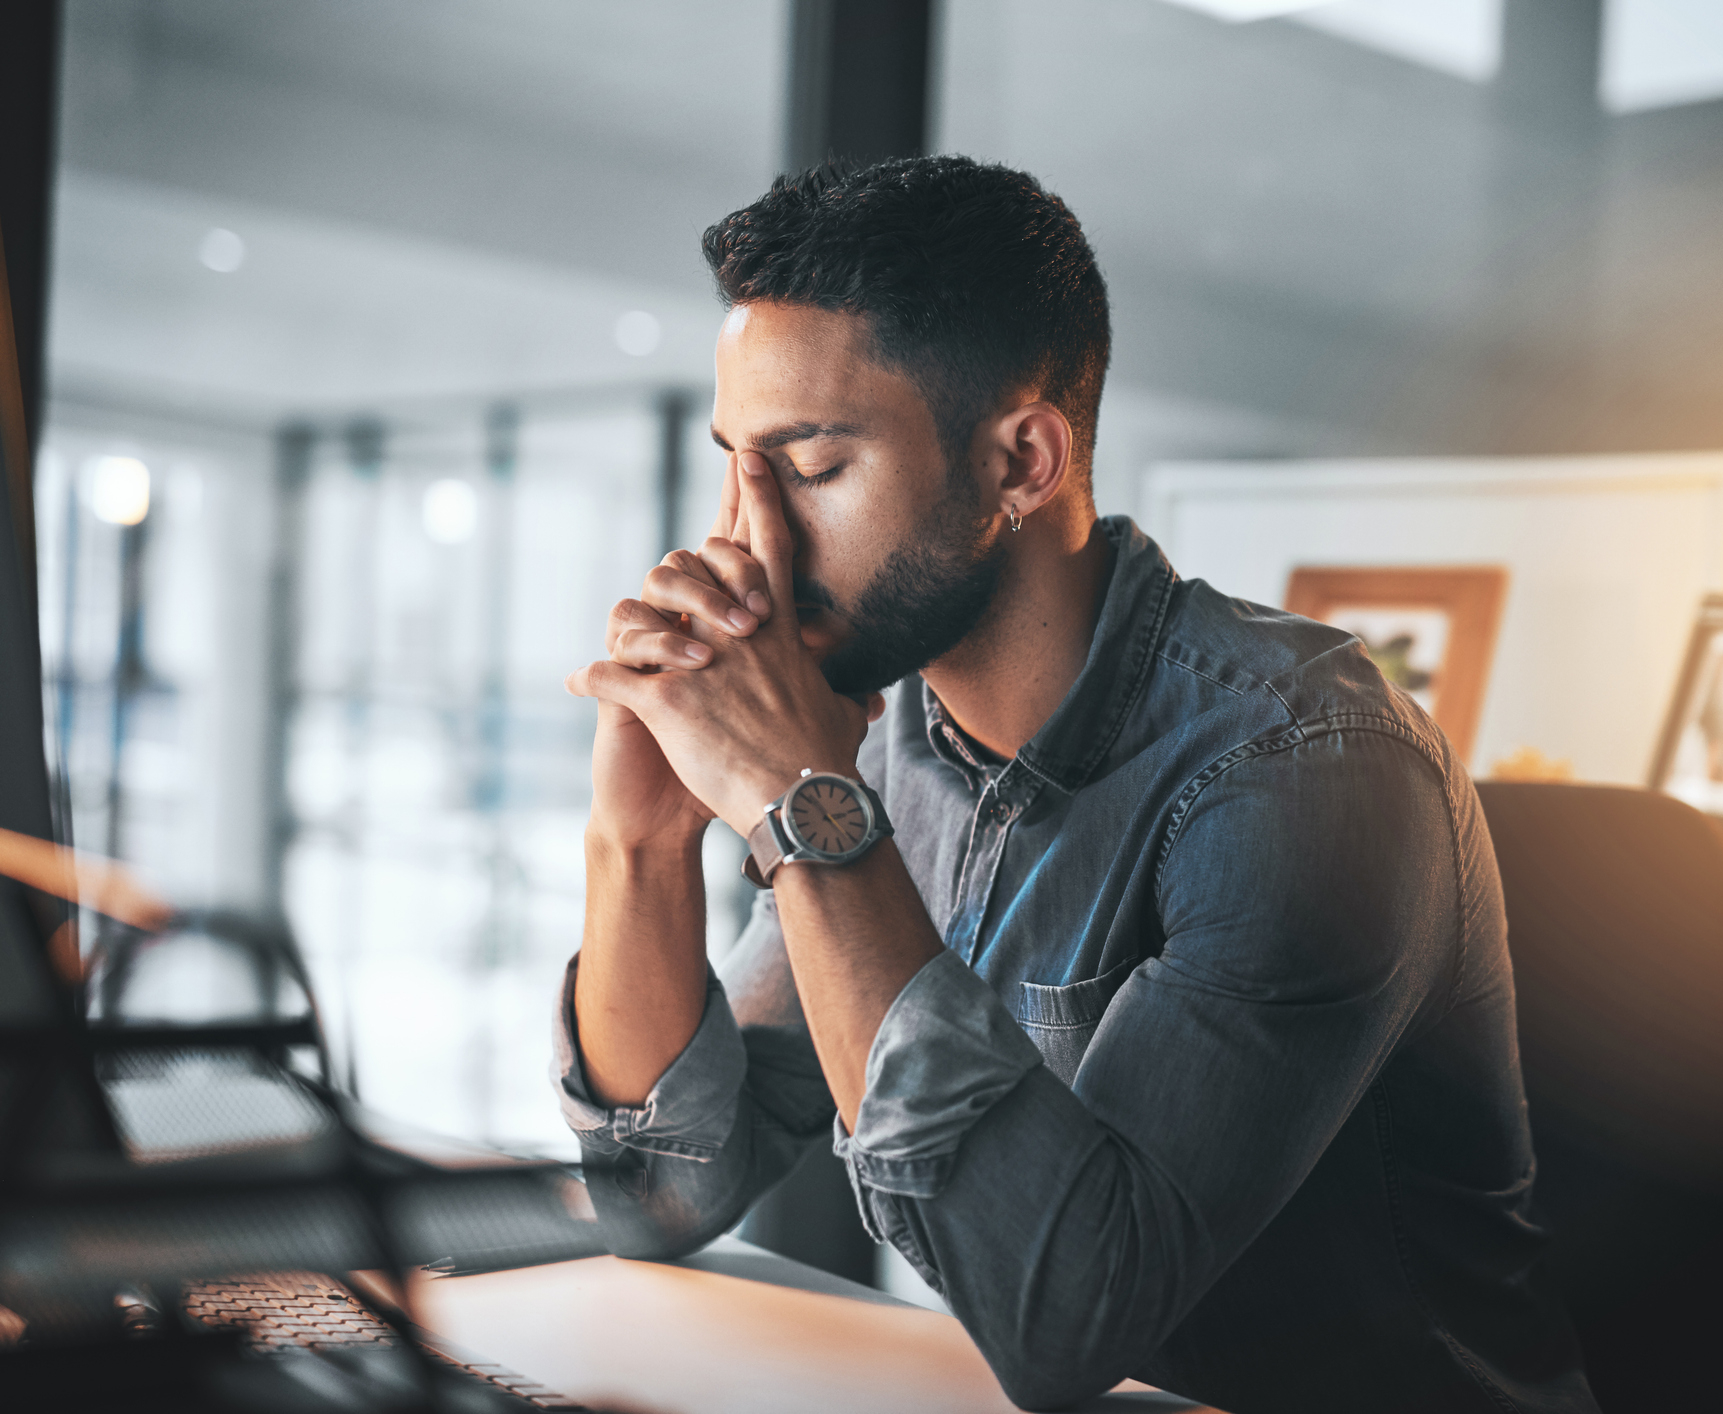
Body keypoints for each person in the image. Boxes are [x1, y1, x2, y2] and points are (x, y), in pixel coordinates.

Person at [553, 156, 1593, 1413]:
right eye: (735, 464)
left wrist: (800, 811)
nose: (745, 536)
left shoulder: (1306, 773)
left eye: (812, 468)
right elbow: (660, 1195)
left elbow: (1070, 1315)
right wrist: (639, 844)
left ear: (1022, 462)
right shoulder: (893, 750)